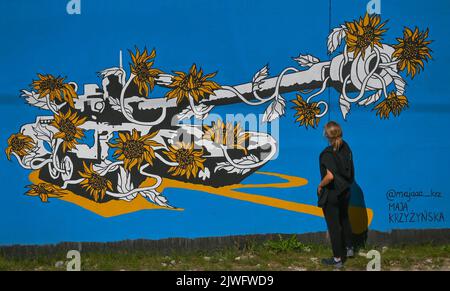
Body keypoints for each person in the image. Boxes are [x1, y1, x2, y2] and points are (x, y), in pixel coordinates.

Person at [317, 121, 355, 268]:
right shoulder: (346, 147)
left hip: (332, 194)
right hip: (345, 191)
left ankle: (337, 260)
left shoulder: (327, 153)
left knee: (334, 227)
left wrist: (320, 185)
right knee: (344, 218)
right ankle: (349, 248)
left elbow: (330, 176)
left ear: (327, 134)